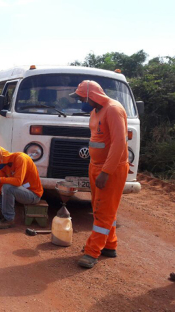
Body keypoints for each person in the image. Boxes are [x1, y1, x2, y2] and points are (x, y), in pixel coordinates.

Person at [69, 80, 129, 269]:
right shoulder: (95, 111)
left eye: (81, 98)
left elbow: (119, 143)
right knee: (101, 208)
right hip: (96, 166)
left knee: (103, 210)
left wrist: (106, 171)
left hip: (111, 169)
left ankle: (92, 251)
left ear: (91, 96)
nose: (80, 102)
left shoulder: (113, 109)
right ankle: (109, 245)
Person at [0, 146, 44, 229]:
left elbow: (18, 181)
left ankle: (9, 219)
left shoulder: (20, 159)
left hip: (33, 195)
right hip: (21, 190)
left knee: (7, 187)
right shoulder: (4, 165)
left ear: (2, 159)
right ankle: (2, 210)